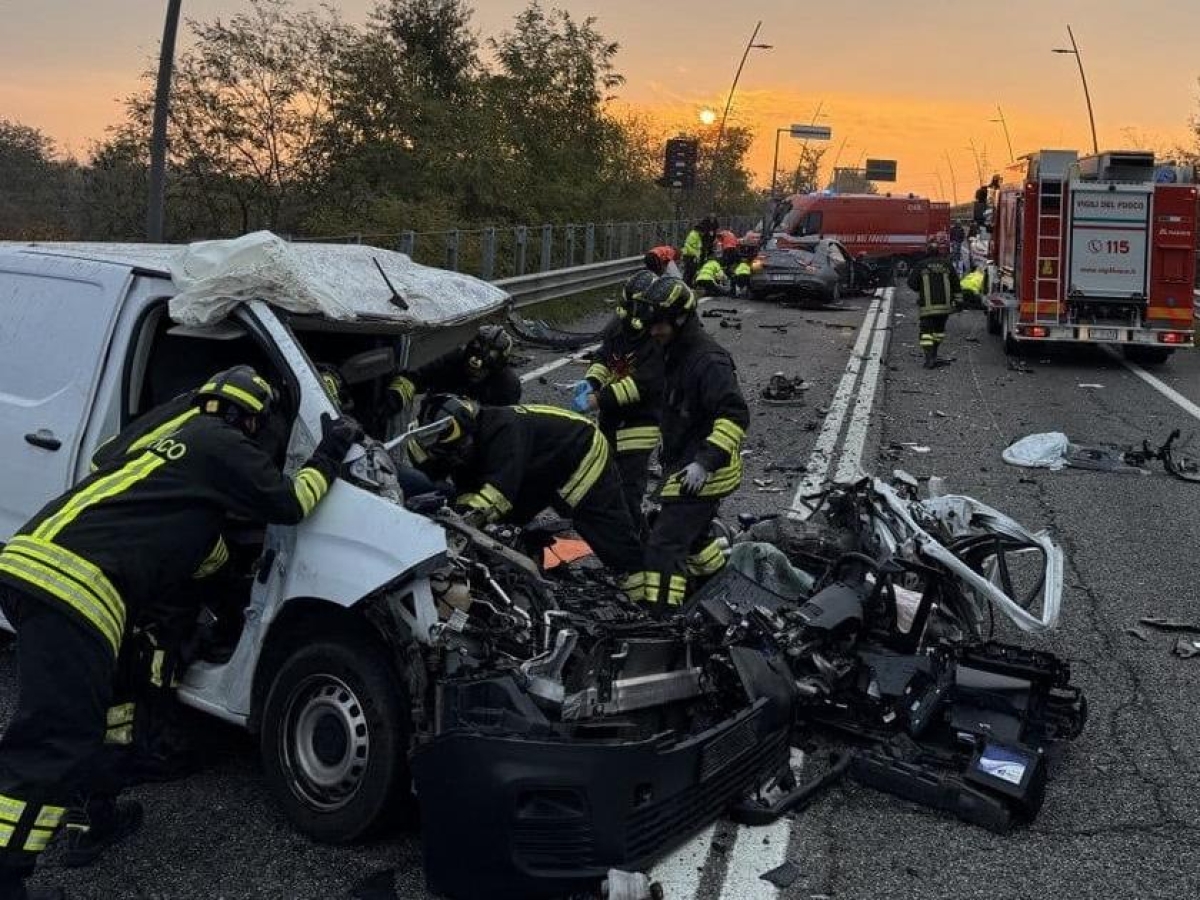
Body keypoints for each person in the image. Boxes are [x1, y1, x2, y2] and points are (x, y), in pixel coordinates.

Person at [0, 366, 359, 899]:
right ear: (250, 420)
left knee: (109, 704)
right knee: (55, 738)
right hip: (74, 589)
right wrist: (329, 454)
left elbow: (176, 536)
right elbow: (289, 502)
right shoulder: (221, 440)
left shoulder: (162, 442)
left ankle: (93, 818)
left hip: (34, 561)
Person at [410, 396, 644, 583]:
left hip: (580, 451)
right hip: (541, 466)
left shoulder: (503, 430)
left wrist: (456, 527)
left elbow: (498, 493)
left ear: (469, 430)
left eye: (459, 448)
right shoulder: (465, 447)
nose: (457, 457)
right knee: (508, 525)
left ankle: (644, 589)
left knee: (600, 526)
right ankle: (528, 566)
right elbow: (467, 491)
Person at [636, 276, 749, 614]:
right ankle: (721, 588)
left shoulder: (708, 361)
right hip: (685, 463)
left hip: (707, 470)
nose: (654, 332)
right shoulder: (674, 351)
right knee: (696, 538)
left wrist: (705, 462)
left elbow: (735, 416)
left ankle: (662, 619)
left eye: (660, 325)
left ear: (681, 319)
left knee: (664, 544)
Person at [576, 271, 665, 531]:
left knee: (629, 489)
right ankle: (612, 531)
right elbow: (604, 357)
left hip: (640, 423)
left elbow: (644, 384)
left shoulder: (658, 338)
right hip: (612, 420)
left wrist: (598, 400)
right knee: (604, 479)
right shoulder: (620, 327)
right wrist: (591, 382)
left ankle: (635, 544)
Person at [387, 324, 520, 412]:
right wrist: (395, 397)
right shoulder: (450, 359)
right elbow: (416, 374)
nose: (474, 372)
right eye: (471, 367)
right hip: (433, 421)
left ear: (497, 368)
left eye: (482, 371)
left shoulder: (508, 385)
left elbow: (503, 423)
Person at [907, 242, 961, 368]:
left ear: (927, 252)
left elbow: (911, 283)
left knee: (926, 333)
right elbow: (956, 285)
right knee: (938, 332)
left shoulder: (921, 265)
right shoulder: (947, 265)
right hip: (944, 308)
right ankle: (934, 353)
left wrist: (921, 288)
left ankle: (929, 357)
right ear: (939, 252)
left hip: (927, 308)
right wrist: (959, 303)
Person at [680, 219, 708, 286]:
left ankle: (689, 284)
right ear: (700, 231)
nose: (703, 234)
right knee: (689, 271)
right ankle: (685, 284)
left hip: (693, 256)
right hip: (689, 255)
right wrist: (695, 254)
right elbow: (687, 245)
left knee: (692, 271)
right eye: (703, 232)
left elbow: (697, 247)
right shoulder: (693, 235)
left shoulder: (697, 236)